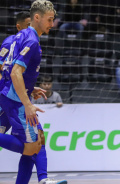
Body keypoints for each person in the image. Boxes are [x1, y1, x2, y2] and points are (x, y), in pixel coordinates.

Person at [0, 1, 67, 184]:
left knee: (35, 145)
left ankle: (42, 179)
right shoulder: (31, 39)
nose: (52, 24)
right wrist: (28, 104)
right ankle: (43, 180)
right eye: (49, 19)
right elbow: (15, 72)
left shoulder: (21, 35)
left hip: (11, 96)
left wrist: (29, 89)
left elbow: (9, 68)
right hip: (15, 100)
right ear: (36, 17)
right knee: (35, 145)